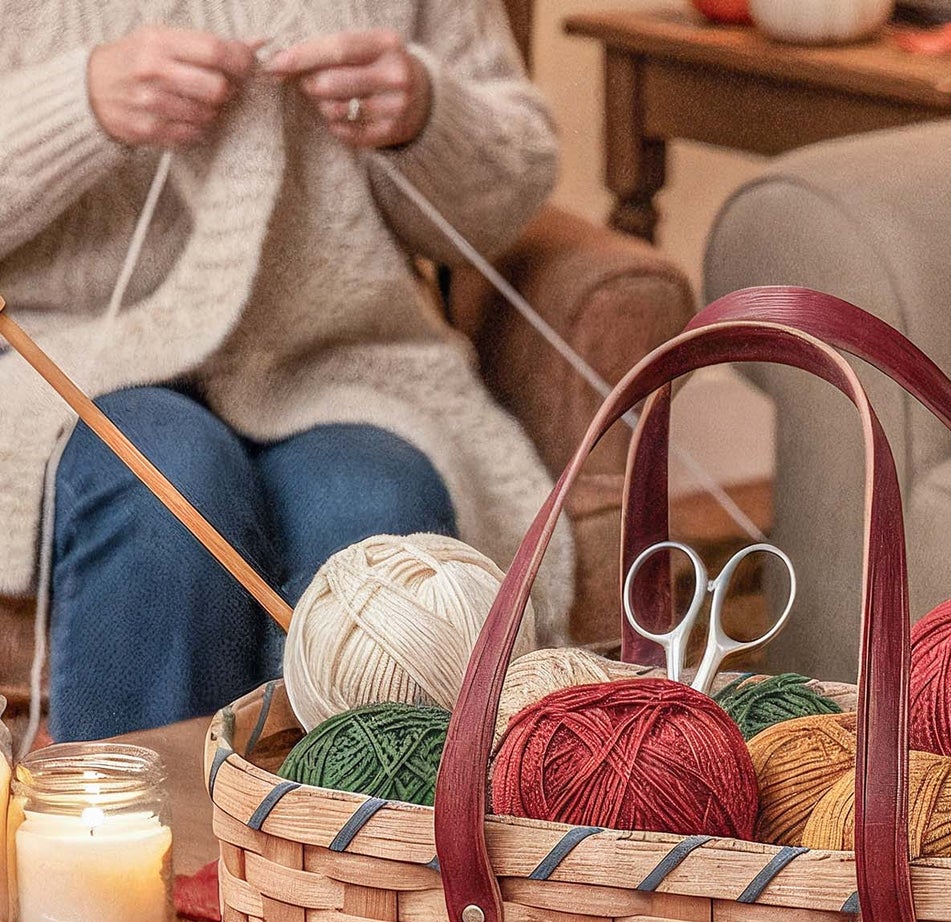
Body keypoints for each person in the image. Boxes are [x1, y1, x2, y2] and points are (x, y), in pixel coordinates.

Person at [0, 5, 571, 741]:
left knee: (377, 507)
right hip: (62, 356)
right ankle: (151, 840)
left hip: (334, 357)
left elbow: (506, 193)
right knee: (166, 488)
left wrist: (428, 115)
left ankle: (356, 844)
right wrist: (77, 106)